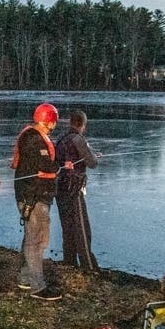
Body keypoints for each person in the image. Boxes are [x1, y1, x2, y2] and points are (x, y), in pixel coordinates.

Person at [12, 103, 69, 301]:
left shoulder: (30, 136)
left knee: (31, 237)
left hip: (29, 194)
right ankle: (38, 287)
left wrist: (59, 165)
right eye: (54, 121)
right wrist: (60, 166)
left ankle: (25, 277)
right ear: (50, 122)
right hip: (35, 196)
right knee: (37, 241)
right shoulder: (36, 140)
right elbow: (47, 166)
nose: (55, 125)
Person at [55, 110, 99, 271]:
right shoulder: (78, 139)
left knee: (67, 227)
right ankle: (88, 266)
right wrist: (93, 154)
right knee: (82, 228)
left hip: (59, 188)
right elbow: (92, 163)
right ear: (83, 125)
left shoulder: (61, 138)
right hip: (74, 189)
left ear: (70, 122)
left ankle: (69, 261)